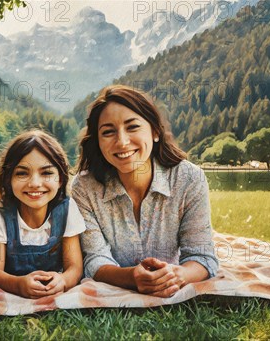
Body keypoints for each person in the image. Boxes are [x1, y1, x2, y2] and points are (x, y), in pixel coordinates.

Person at [72, 85, 218, 298]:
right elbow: (95, 260)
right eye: (108, 132)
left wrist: (179, 275)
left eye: (132, 127)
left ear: (155, 132)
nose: (122, 142)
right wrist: (132, 277)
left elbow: (202, 256)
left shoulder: (189, 178)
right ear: (98, 142)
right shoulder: (84, 187)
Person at [0, 130, 85, 298]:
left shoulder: (67, 210)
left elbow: (74, 267)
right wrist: (18, 284)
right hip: (13, 280)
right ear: (8, 179)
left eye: (46, 173)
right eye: (22, 173)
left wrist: (63, 280)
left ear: (60, 179)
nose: (35, 183)